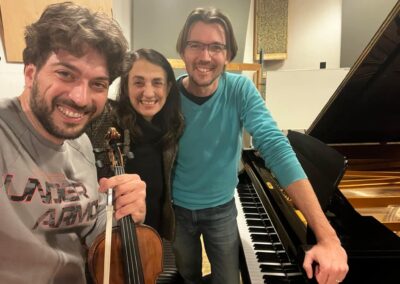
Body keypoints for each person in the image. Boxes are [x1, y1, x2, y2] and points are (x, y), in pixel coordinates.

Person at [171, 7, 349, 284]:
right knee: (186, 277)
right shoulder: (167, 94)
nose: (205, 56)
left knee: (228, 280)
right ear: (182, 50)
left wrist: (327, 236)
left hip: (222, 210)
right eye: (195, 45)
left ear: (228, 55)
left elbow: (275, 146)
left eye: (216, 47)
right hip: (176, 209)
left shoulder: (240, 89)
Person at [0, 2, 146, 283]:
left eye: (98, 84)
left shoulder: (80, 143)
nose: (81, 98)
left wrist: (122, 212)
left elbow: (89, 228)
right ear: (31, 74)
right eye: (66, 74)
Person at [87, 48, 184, 240]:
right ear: (126, 86)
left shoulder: (171, 126)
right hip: (111, 235)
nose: (148, 92)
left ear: (169, 87)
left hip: (155, 237)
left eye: (157, 83)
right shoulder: (105, 120)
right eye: (138, 82)